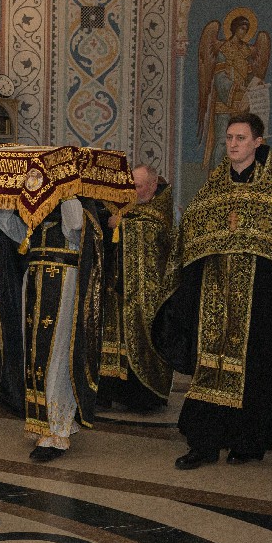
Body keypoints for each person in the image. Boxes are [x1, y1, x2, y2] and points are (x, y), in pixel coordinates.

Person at [154, 113, 272, 469]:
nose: (233, 144)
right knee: (209, 368)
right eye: (229, 138)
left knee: (254, 371)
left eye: (241, 138)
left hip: (259, 303)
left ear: (257, 142)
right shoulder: (211, 193)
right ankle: (203, 444)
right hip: (213, 299)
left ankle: (246, 443)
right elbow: (189, 241)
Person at [0, 195, 105, 462]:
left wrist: (65, 191)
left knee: (57, 354)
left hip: (63, 279)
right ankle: (45, 422)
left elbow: (75, 226)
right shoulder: (37, 214)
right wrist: (0, 198)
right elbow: (13, 230)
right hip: (34, 278)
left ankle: (57, 429)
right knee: (34, 356)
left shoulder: (77, 201)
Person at [99, 164, 173, 412]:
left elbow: (151, 231)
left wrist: (121, 225)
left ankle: (145, 396)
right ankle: (112, 391)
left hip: (147, 293)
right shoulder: (126, 210)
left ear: (152, 186)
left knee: (143, 338)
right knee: (115, 338)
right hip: (119, 288)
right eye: (130, 185)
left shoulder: (160, 209)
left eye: (138, 186)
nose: (132, 191)